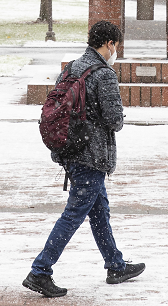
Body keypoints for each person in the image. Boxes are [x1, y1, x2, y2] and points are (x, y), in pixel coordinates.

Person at [23, 20, 144, 298]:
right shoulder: (104, 74)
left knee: (99, 211)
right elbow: (114, 120)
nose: (116, 52)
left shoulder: (72, 67)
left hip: (71, 150)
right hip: (92, 155)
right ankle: (40, 271)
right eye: (117, 46)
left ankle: (115, 265)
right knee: (74, 214)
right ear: (110, 44)